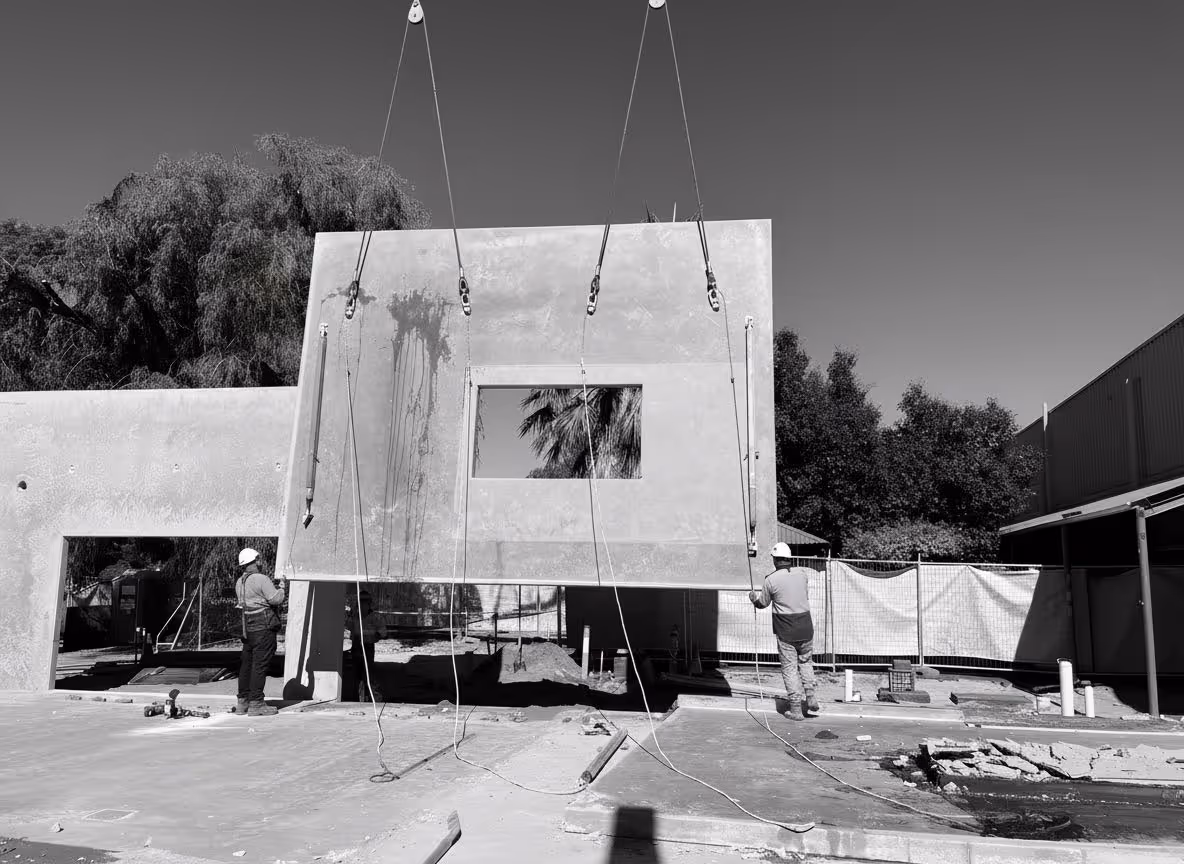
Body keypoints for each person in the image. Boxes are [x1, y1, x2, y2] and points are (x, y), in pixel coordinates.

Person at [748, 542, 818, 721]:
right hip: (806, 626)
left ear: (775, 559)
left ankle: (796, 709)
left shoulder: (771, 580)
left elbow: (762, 603)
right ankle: (811, 696)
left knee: (789, 668)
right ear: (789, 558)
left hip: (786, 630)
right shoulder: (802, 574)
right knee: (806, 662)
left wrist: (754, 599)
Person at [234, 547, 286, 716]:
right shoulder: (261, 579)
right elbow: (276, 599)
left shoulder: (240, 582)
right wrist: (282, 588)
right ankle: (256, 703)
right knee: (259, 665)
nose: (261, 561)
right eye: (258, 559)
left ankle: (243, 702)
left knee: (247, 664)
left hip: (247, 629)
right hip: (263, 627)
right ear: (255, 561)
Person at [346, 588, 386, 702]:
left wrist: (372, 636)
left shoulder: (375, 617)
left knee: (368, 674)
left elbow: (383, 633)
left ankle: (374, 698)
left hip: (368, 647)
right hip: (356, 647)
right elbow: (348, 627)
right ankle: (357, 698)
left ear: (369, 604)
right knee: (356, 675)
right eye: (360, 603)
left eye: (364, 603)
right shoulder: (354, 617)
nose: (362, 606)